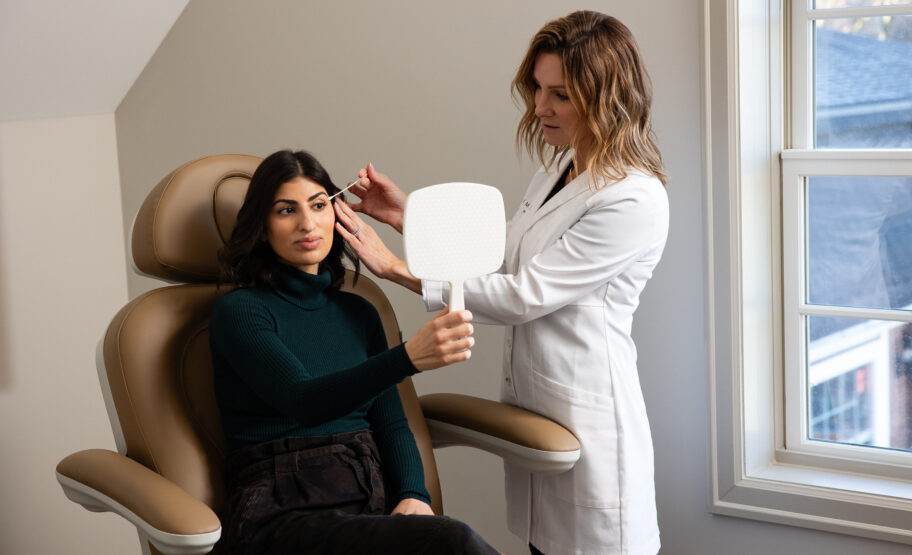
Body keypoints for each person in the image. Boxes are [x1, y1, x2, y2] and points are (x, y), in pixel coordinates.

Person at [331, 11, 670, 555]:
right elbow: (501, 258)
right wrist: (404, 215)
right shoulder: (559, 168)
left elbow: (522, 295)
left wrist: (396, 269)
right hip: (538, 413)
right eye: (537, 88)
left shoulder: (633, 198)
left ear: (606, 99)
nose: (539, 107)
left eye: (560, 94)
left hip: (592, 424)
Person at [209, 149, 499, 554]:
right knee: (453, 542)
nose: (307, 223)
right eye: (286, 210)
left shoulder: (360, 312)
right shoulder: (240, 311)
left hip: (367, 492)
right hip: (282, 508)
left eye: (318, 205)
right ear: (261, 228)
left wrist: (414, 494)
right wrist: (407, 358)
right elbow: (302, 400)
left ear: (337, 213)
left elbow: (391, 423)